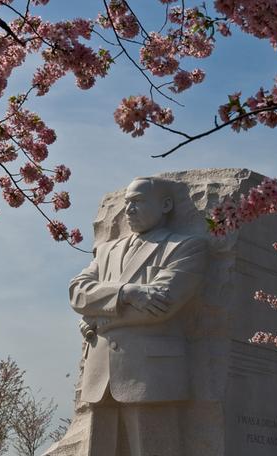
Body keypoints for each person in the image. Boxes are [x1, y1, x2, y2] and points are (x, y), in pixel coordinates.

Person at [69, 177, 208, 456]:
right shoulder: (107, 251)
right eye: (127, 203)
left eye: (139, 202)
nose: (129, 210)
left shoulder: (185, 247)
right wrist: (127, 292)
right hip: (100, 377)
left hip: (151, 375)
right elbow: (77, 292)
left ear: (166, 204)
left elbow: (162, 305)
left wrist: (98, 319)